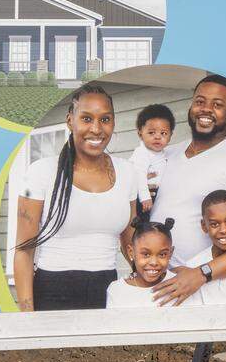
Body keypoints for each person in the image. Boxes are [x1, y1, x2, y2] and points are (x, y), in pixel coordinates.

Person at [14, 85, 136, 311]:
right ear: (70, 120)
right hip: (53, 292)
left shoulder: (128, 172)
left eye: (105, 119)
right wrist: (27, 316)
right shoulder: (41, 172)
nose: (96, 129)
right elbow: (24, 250)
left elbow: (131, 243)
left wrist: (146, 284)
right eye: (87, 118)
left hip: (108, 291)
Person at [149, 74, 226, 306]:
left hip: (203, 288)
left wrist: (202, 273)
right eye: (200, 101)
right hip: (160, 282)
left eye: (218, 105)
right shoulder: (167, 155)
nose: (206, 109)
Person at [107, 218, 197, 308]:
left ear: (170, 253)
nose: (154, 262)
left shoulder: (181, 284)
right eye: (146, 254)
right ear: (131, 252)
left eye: (162, 254)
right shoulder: (117, 290)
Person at [128, 104, 179, 216]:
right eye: (151, 132)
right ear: (140, 134)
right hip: (144, 198)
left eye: (163, 133)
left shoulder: (163, 154)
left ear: (170, 136)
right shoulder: (141, 153)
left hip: (158, 197)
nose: (157, 137)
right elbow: (139, 176)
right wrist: (145, 197)